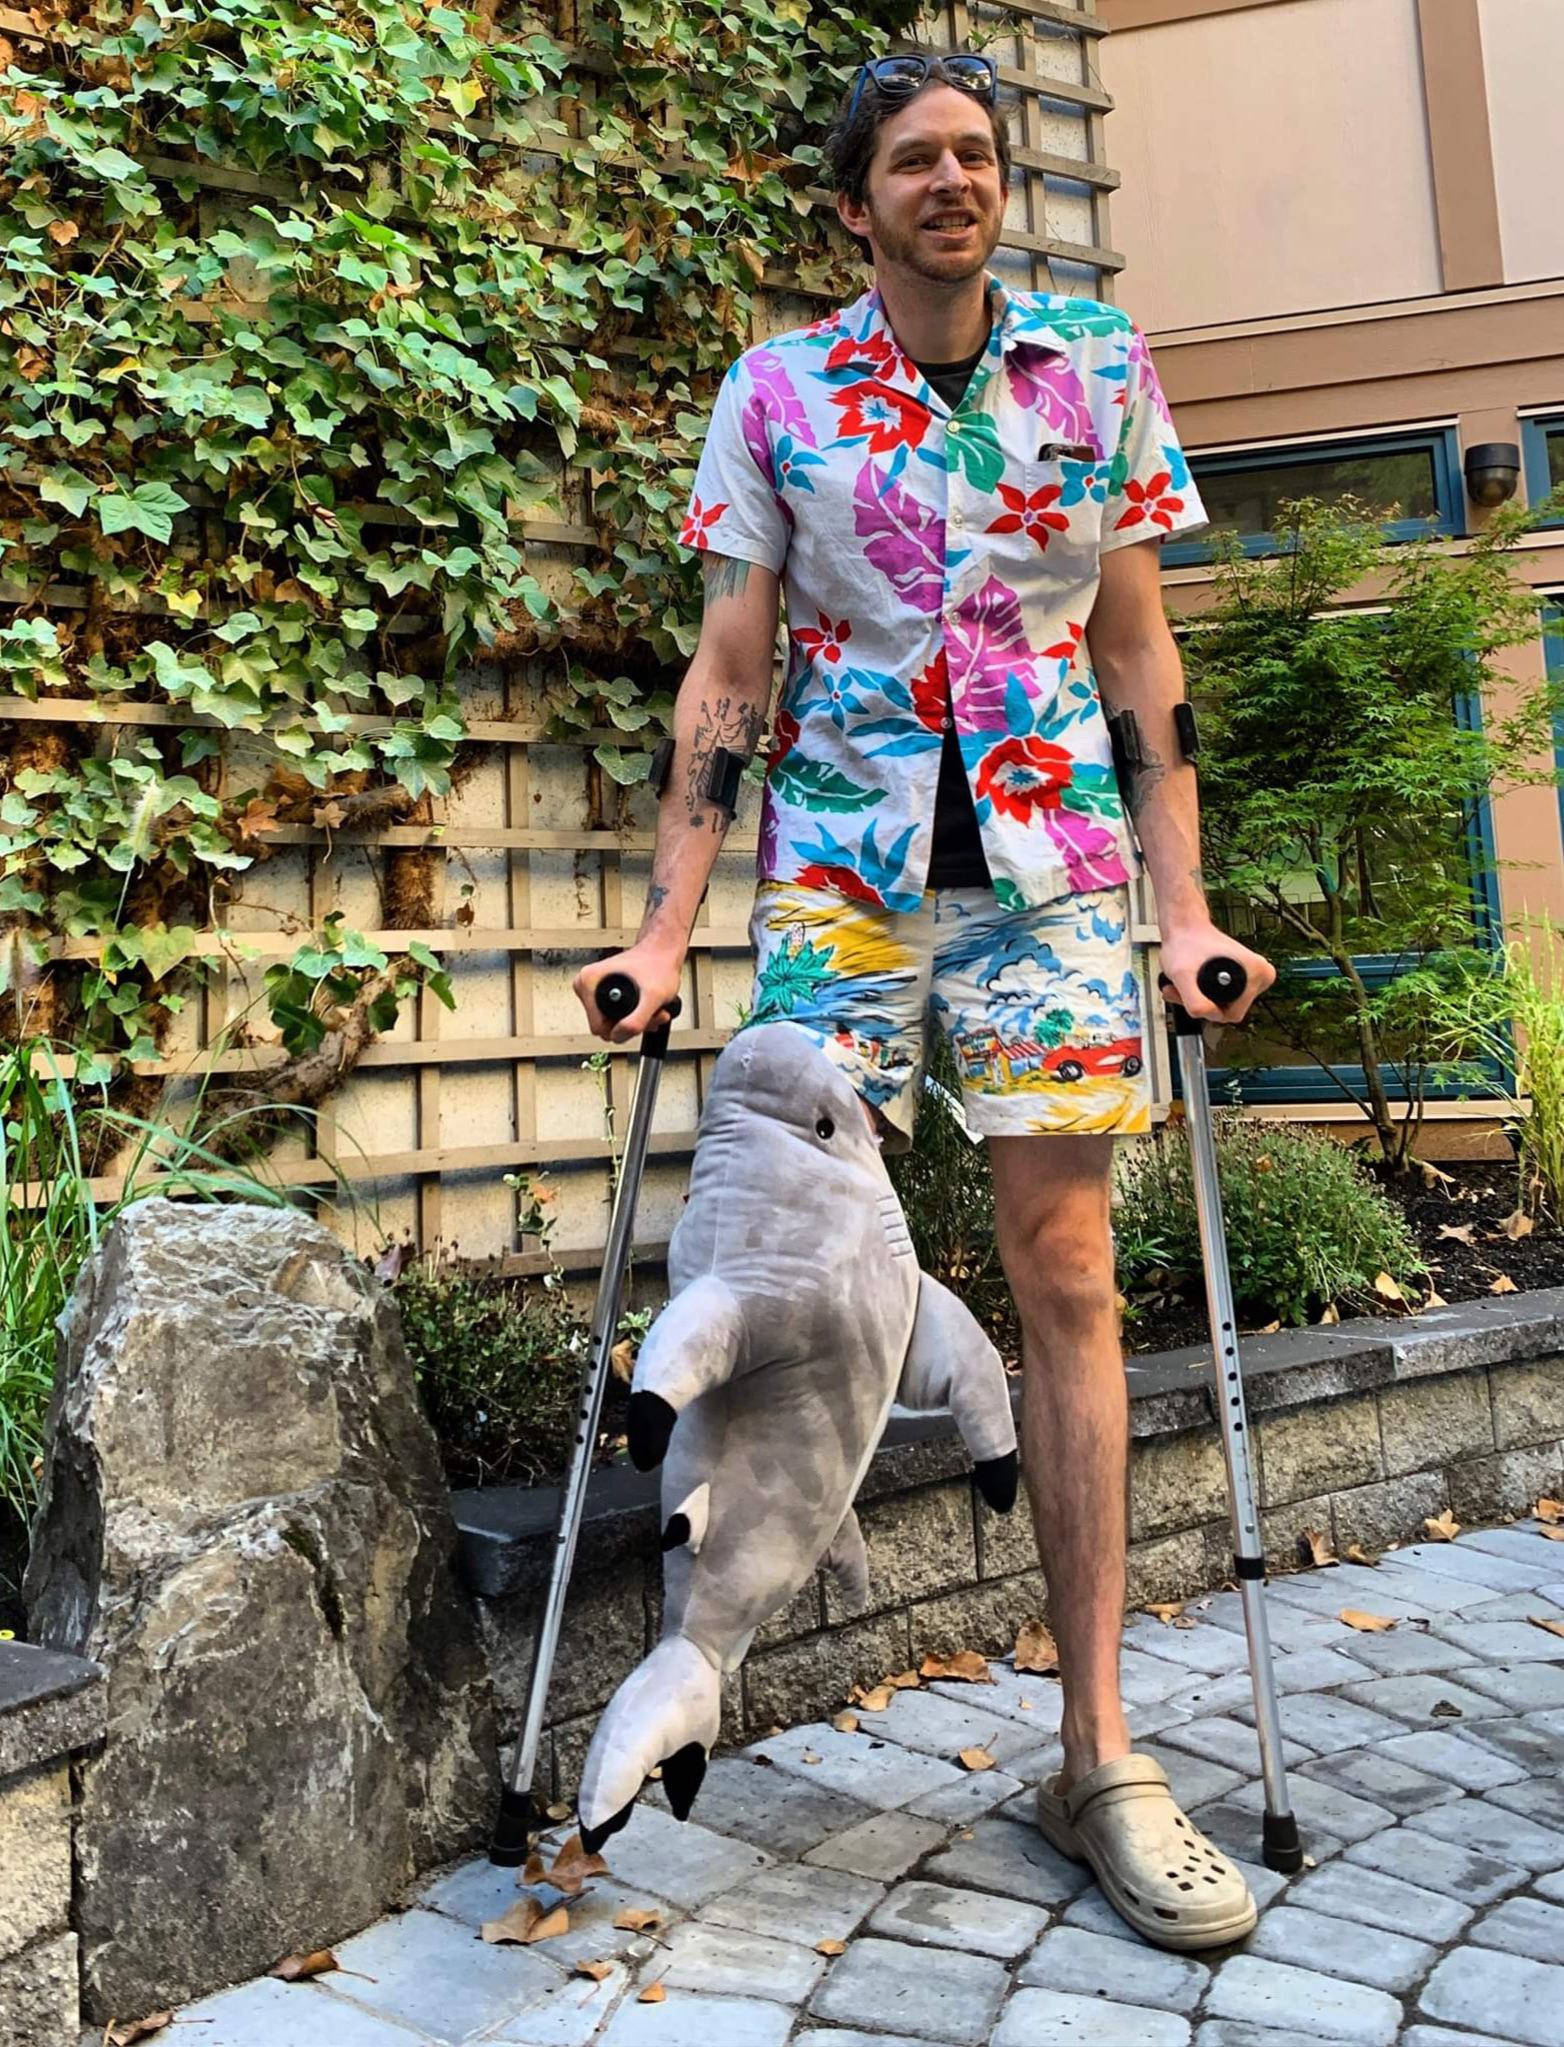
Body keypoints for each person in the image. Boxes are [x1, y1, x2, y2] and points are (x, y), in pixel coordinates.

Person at [575, 49, 1276, 1950]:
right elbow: (731, 670)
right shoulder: (776, 390)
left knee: (1070, 1279)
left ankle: (1100, 1754)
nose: (954, 179)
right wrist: (662, 930)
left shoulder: (1097, 369)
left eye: (977, 153)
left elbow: (1138, 651)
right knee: (793, 1263)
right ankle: (694, 1668)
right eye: (915, 159)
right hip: (840, 876)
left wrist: (1188, 910)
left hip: (1059, 881)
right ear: (856, 202)